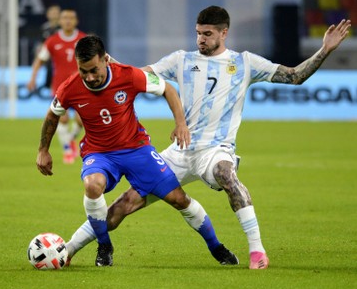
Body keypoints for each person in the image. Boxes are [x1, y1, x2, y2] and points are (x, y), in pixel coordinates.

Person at [64, 6, 351, 269]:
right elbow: (137, 76)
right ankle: (67, 250)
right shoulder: (181, 60)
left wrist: (324, 50)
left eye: (208, 34)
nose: (201, 39)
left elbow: (294, 76)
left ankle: (257, 251)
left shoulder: (245, 63)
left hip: (216, 149)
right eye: (198, 33)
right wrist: (110, 64)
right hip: (179, 151)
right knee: (123, 205)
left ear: (224, 33)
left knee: (227, 174)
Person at [36, 35, 238, 267]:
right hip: (99, 154)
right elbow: (53, 115)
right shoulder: (70, 87)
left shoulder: (128, 75)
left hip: (136, 149)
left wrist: (180, 124)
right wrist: (43, 149)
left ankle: (216, 247)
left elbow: (168, 89)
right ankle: (104, 245)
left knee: (179, 199)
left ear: (105, 60)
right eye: (84, 71)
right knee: (92, 185)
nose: (89, 77)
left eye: (94, 70)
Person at [28, 9, 86, 164]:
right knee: (63, 118)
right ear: (60, 21)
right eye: (65, 18)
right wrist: (33, 78)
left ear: (76, 21)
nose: (68, 21)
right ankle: (67, 150)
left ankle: (70, 140)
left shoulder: (83, 40)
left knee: (81, 121)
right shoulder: (52, 41)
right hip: (59, 86)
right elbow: (40, 60)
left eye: (71, 18)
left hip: (81, 86)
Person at [40, 4, 61, 89]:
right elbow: (42, 44)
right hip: (49, 60)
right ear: (47, 14)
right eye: (52, 12)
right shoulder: (45, 28)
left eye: (56, 12)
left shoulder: (64, 28)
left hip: (61, 59)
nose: (54, 14)